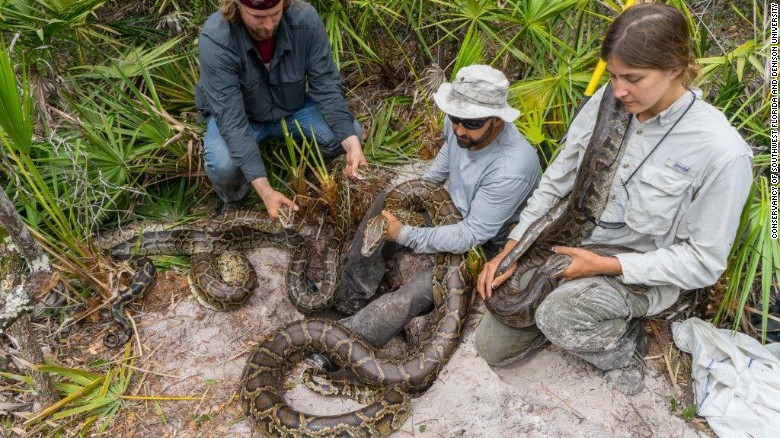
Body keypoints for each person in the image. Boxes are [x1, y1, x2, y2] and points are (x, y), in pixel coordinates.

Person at [474, 3, 753, 396]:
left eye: (633, 78)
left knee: (560, 315)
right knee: (493, 348)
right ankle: (569, 310)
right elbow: (557, 182)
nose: (619, 91)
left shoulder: (721, 152)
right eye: (614, 75)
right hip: (566, 245)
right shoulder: (609, 103)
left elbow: (704, 263)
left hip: (636, 268)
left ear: (675, 68)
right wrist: (515, 247)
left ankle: (624, 346)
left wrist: (602, 265)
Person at [308, 65, 541, 370]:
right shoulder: (460, 128)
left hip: (485, 247)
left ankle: (339, 347)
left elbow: (471, 235)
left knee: (413, 294)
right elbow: (439, 171)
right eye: (455, 118)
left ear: (497, 120)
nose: (458, 129)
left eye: (470, 122)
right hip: (448, 213)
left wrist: (404, 234)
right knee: (384, 204)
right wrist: (408, 201)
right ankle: (348, 298)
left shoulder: (513, 165)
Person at [195, 0, 366, 217]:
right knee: (223, 166)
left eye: (274, 14)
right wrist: (266, 191)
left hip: (292, 108)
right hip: (244, 117)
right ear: (236, 5)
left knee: (352, 134)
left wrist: (351, 143)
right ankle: (235, 197)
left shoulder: (305, 19)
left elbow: (326, 85)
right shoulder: (216, 38)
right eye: (257, 17)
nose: (268, 26)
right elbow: (231, 122)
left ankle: (312, 167)